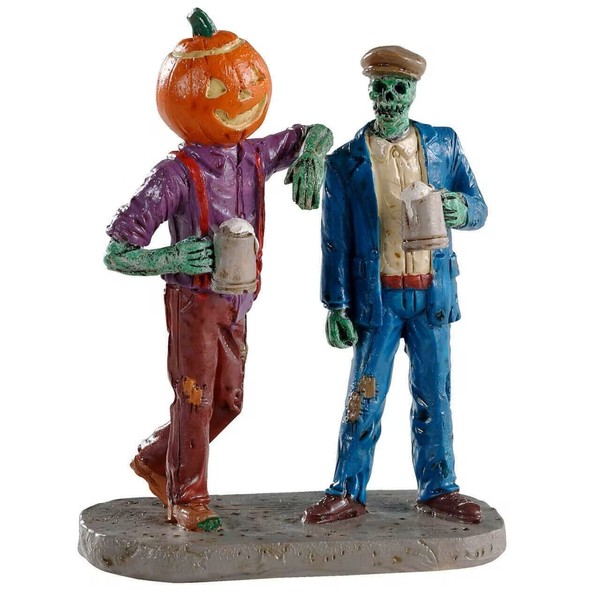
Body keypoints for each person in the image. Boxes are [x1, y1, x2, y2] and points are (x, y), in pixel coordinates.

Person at [104, 8, 332, 531]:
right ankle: (187, 497)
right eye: (218, 87)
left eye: (249, 78)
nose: (240, 93)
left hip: (238, 301)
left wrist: (312, 156)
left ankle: (156, 458)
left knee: (229, 401)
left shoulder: (253, 155)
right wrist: (170, 258)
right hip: (195, 305)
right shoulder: (174, 174)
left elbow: (313, 131)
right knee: (196, 398)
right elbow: (117, 250)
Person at [303, 45, 487, 525]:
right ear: (370, 92)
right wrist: (335, 305)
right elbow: (334, 240)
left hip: (431, 293)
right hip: (378, 297)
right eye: (381, 88)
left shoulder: (443, 144)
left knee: (435, 395)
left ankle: (439, 487)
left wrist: (461, 210)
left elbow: (478, 205)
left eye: (398, 88)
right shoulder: (345, 163)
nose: (389, 99)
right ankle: (347, 489)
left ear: (413, 92)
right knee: (364, 396)